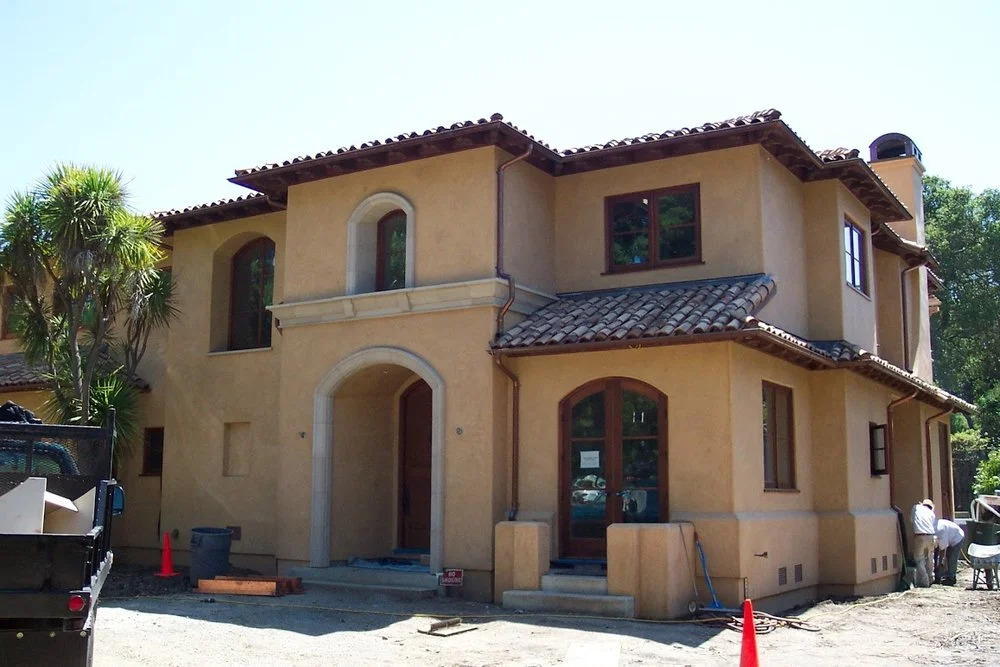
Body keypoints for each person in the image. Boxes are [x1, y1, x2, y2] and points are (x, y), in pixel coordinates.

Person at [911, 499, 937, 588]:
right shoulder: (932, 513)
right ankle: (931, 578)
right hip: (931, 536)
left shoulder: (916, 507)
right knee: (930, 557)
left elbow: (912, 520)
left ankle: (924, 580)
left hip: (920, 535)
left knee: (919, 559)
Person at [934, 517, 965, 585]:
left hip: (957, 537)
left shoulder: (940, 531)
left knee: (951, 557)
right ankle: (943, 574)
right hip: (949, 534)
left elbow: (942, 549)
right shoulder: (932, 529)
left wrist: (940, 564)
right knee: (945, 557)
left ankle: (951, 578)